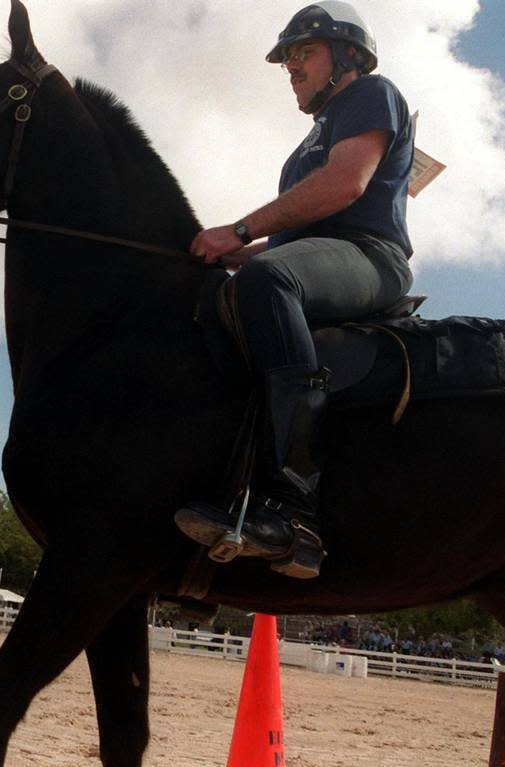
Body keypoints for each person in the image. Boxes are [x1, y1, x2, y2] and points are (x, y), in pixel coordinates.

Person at [175, 2, 414, 579]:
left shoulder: (371, 93)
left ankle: (293, 510)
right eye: (287, 58)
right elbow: (294, 242)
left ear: (348, 55)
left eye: (304, 52)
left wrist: (239, 232)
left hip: (371, 257)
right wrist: (238, 255)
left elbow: (345, 184)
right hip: (318, 258)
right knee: (241, 284)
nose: (291, 66)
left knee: (269, 278)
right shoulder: (309, 141)